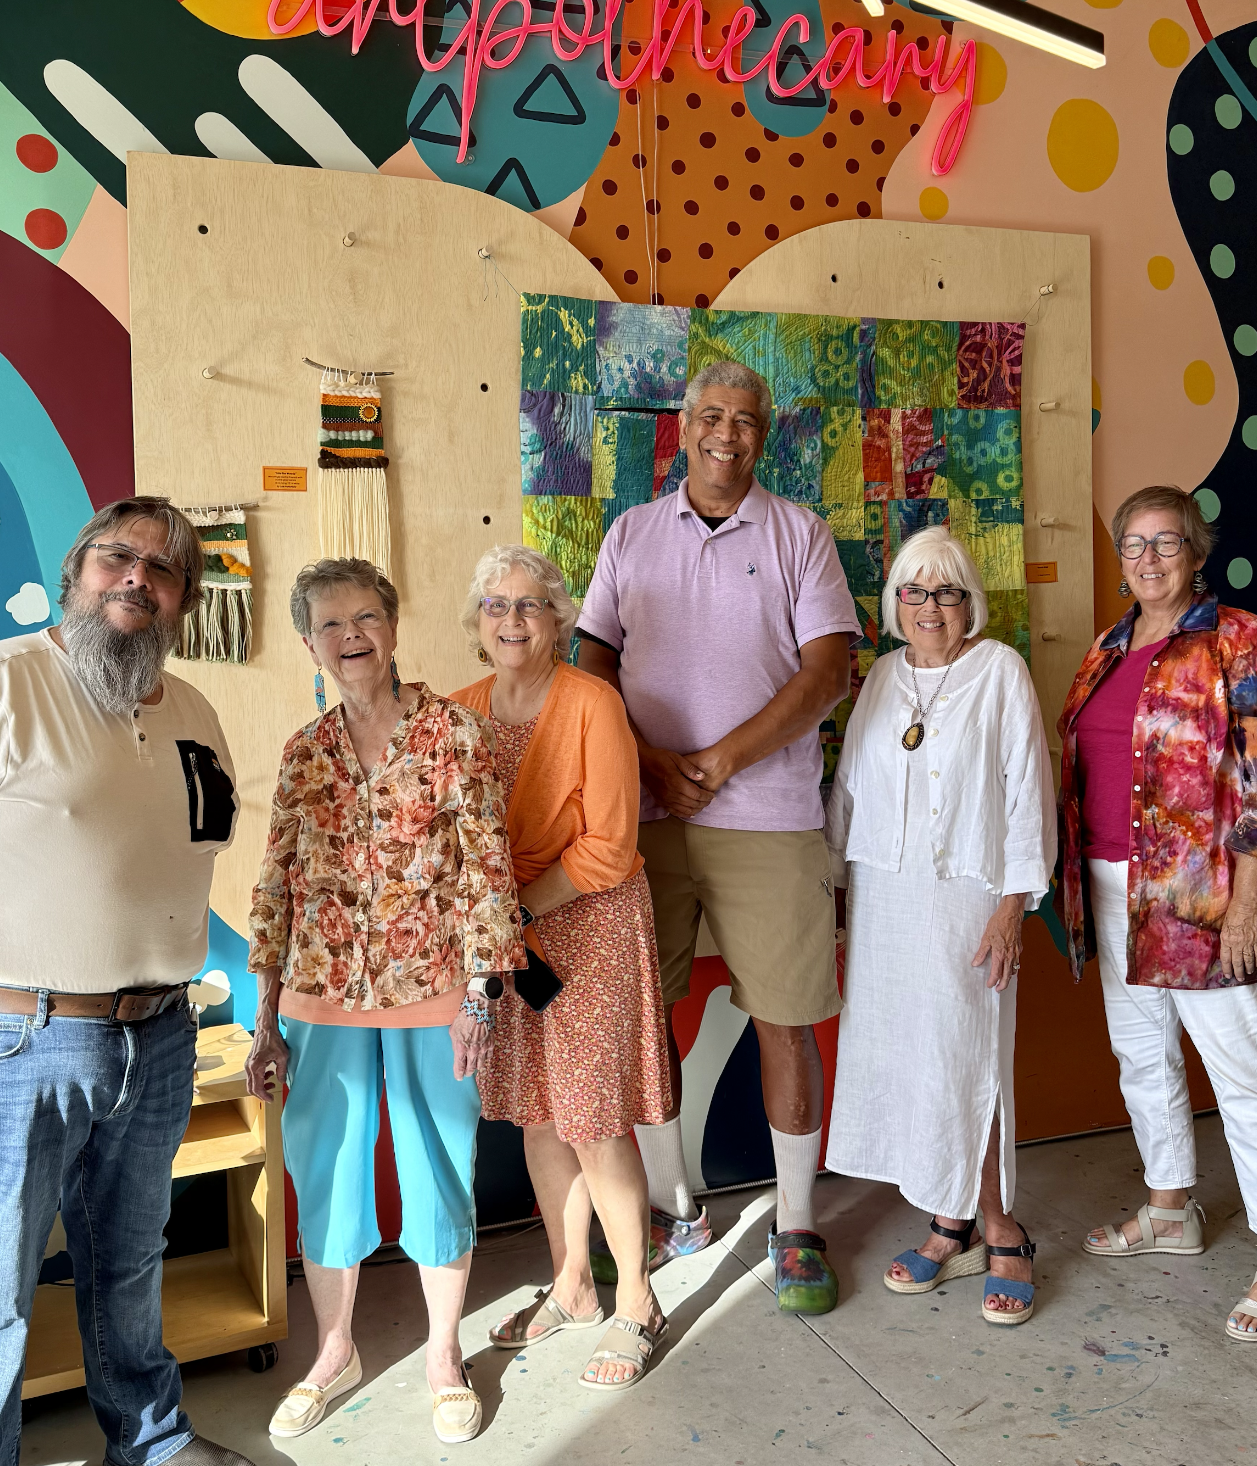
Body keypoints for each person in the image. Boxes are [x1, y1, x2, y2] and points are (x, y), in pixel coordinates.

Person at [0, 498, 251, 1466]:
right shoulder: (0, 683)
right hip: (5, 1042)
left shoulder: (193, 711)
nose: (137, 577)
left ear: (185, 602)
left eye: (163, 569)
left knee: (130, 1262)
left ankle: (153, 1440)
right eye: (115, 557)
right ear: (74, 574)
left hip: (156, 1036)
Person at [576, 359, 860, 1314]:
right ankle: (673, 1207)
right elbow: (591, 665)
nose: (726, 434)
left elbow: (828, 675)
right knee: (644, 1017)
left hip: (770, 818)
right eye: (711, 415)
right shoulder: (630, 533)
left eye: (744, 419)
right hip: (642, 820)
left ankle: (797, 1224)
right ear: (685, 426)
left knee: (787, 1019)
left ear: (761, 435)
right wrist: (652, 765)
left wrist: (720, 760)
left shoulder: (800, 534)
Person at [244, 558, 523, 1446]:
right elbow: (274, 884)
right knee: (324, 1167)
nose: (351, 636)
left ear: (394, 629)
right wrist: (264, 1018)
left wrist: (481, 998)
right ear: (309, 646)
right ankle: (334, 1350)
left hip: (433, 987)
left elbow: (487, 871)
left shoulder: (455, 734)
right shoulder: (305, 751)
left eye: (365, 617)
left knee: (438, 1162)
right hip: (319, 993)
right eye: (330, 624)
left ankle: (444, 1355)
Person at [1057, 485, 1257, 1342]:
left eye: (1167, 542)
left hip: (1207, 900)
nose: (1149, 558)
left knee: (1244, 1076)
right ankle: (1170, 1209)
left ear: (1197, 551)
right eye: (1134, 543)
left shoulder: (1245, 641)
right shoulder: (1106, 648)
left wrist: (1244, 910)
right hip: (1112, 886)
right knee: (1143, 1058)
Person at [450, 545, 674, 1391]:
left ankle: (637, 1300)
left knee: (594, 1119)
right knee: (541, 1117)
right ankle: (572, 1284)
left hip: (591, 927)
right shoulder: (459, 711)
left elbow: (610, 847)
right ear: (477, 622)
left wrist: (510, 915)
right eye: (496, 605)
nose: (512, 620)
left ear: (559, 621)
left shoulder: (593, 703)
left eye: (530, 605)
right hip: (513, 940)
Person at [823, 526, 1055, 1325]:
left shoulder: (1000, 672)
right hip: (885, 898)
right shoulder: (883, 678)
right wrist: (834, 890)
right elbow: (849, 789)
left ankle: (1002, 1224)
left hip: (969, 895)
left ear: (970, 603)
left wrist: (1012, 905)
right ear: (896, 603)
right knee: (915, 1059)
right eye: (914, 592)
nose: (930, 606)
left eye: (947, 591)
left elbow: (1028, 792)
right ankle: (950, 1223)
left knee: (967, 1054)